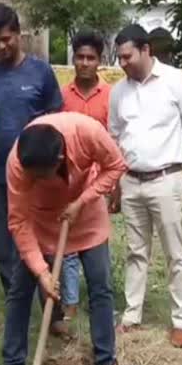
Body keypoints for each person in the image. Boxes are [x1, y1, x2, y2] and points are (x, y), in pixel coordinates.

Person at [0, 112, 132, 365]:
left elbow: (116, 166)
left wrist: (82, 201)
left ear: (60, 157)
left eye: (42, 175)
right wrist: (42, 271)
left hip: (86, 213)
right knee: (20, 291)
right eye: (33, 176)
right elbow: (18, 222)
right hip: (40, 222)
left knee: (100, 286)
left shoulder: (87, 132)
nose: (37, 180)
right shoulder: (18, 163)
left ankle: (107, 363)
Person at [0, 3, 71, 335]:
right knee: (5, 248)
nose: (1, 46)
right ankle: (21, 313)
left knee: (43, 244)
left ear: (18, 33)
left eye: (6, 39)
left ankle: (53, 316)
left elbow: (59, 125)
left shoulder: (41, 73)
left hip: (37, 177)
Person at [109, 24, 182, 348]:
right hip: (132, 182)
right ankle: (132, 315)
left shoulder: (175, 83)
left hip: (166, 181)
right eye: (119, 58)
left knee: (174, 253)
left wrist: (177, 153)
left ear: (145, 50)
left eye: (127, 56)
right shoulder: (118, 92)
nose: (122, 63)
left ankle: (181, 321)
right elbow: (114, 136)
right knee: (135, 252)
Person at [59, 29, 112, 318]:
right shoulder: (63, 96)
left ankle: (99, 298)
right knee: (67, 240)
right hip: (68, 180)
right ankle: (69, 302)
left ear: (99, 61)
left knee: (96, 240)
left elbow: (114, 140)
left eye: (90, 58)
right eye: (79, 57)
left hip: (99, 181)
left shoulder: (111, 96)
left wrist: (114, 186)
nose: (84, 63)